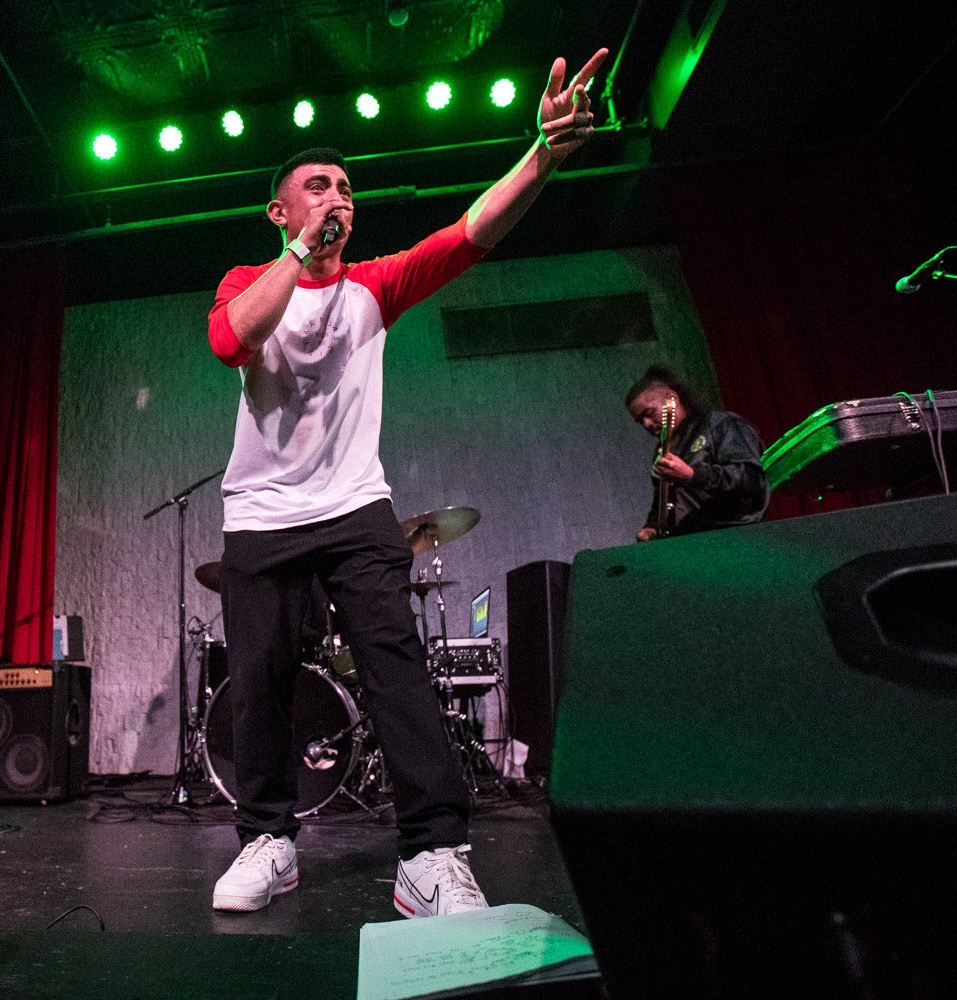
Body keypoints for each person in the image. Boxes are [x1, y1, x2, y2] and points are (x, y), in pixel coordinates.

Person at [205, 48, 609, 918]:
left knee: (395, 669)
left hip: (355, 505)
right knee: (263, 678)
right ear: (281, 210)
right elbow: (232, 339)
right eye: (319, 186)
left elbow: (471, 232)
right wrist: (296, 254)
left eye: (346, 187)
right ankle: (268, 841)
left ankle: (432, 854)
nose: (338, 197)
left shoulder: (376, 289)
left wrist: (542, 153)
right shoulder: (248, 281)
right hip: (263, 513)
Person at [625, 364, 770, 541]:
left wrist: (692, 475)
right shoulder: (663, 450)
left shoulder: (718, 424)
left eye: (649, 413)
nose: (646, 424)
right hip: (690, 544)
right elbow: (666, 503)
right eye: (640, 421)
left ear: (672, 399)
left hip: (733, 538)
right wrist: (652, 527)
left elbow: (751, 479)